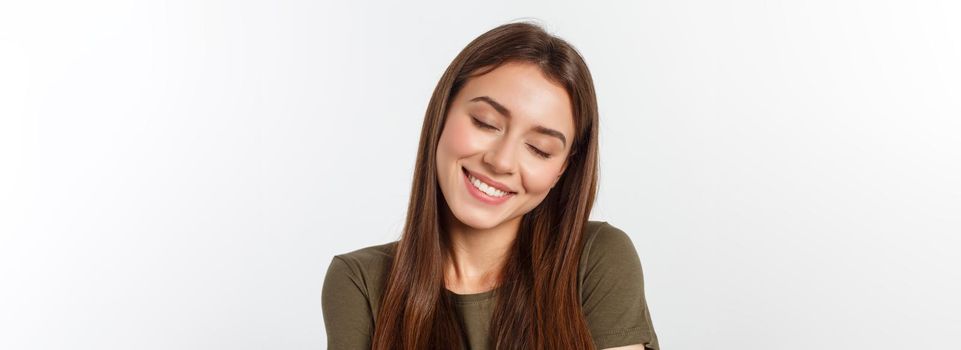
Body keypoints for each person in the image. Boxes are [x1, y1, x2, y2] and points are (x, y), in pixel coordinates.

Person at [322, 21, 658, 350]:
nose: (501, 162)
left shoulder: (596, 258)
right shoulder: (360, 282)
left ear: (563, 169)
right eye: (485, 123)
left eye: (539, 149)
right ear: (442, 113)